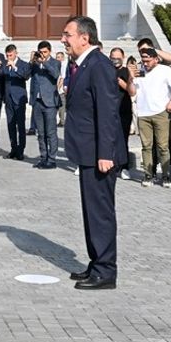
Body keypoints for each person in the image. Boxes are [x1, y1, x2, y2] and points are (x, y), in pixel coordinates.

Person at [61, 16, 125, 290]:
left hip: (100, 154)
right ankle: (96, 262)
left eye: (68, 34)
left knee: (100, 212)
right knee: (91, 211)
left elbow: (108, 113)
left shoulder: (98, 65)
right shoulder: (81, 64)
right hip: (87, 152)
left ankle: (106, 271)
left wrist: (105, 153)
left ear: (84, 38)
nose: (63, 39)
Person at [133, 47, 171, 187]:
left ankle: (165, 176)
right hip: (143, 113)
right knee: (146, 146)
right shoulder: (140, 71)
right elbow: (132, 91)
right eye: (143, 60)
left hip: (161, 112)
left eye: (148, 60)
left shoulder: (165, 70)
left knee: (162, 146)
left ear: (156, 59)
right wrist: (131, 78)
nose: (145, 63)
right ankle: (148, 175)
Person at [136, 37, 171, 164]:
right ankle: (151, 169)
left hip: (164, 109)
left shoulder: (161, 63)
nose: (143, 53)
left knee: (166, 141)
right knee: (150, 143)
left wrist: (153, 50)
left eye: (145, 50)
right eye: (140, 51)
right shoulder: (142, 66)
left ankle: (169, 168)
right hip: (147, 110)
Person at [30, 41, 61, 169]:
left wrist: (45, 62)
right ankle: (43, 157)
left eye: (45, 52)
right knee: (40, 133)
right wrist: (32, 61)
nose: (42, 55)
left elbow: (55, 75)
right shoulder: (35, 64)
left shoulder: (55, 62)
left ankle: (52, 159)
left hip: (49, 102)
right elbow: (26, 75)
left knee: (51, 132)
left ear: (50, 51)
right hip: (37, 101)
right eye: (40, 52)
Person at [109, 48, 136, 180]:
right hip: (109, 110)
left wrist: (122, 83)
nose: (115, 60)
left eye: (118, 57)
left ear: (123, 57)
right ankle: (112, 165)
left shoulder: (126, 71)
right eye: (113, 57)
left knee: (123, 139)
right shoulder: (106, 70)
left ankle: (124, 167)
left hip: (123, 109)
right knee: (110, 139)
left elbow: (132, 91)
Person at [2, 44, 31, 160]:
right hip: (8, 99)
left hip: (19, 99)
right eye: (7, 55)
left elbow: (25, 76)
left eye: (11, 55)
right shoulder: (5, 64)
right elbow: (0, 75)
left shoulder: (23, 64)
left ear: (16, 53)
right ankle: (13, 149)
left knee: (21, 125)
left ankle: (20, 150)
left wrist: (14, 67)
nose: (9, 57)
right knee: (10, 125)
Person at [55, 51, 68, 128]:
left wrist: (58, 87)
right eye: (57, 57)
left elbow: (62, 78)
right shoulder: (57, 65)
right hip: (57, 87)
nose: (58, 59)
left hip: (61, 89)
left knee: (61, 106)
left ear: (63, 58)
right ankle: (60, 120)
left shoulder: (63, 65)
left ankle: (62, 121)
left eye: (60, 57)